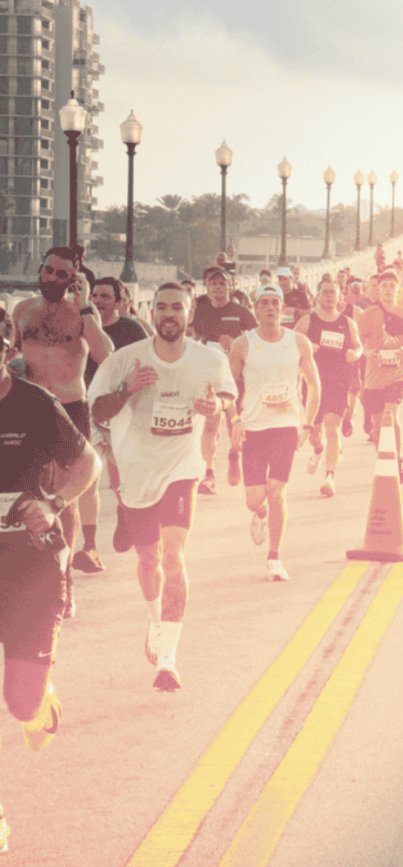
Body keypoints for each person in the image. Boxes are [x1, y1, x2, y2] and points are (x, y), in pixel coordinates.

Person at [89, 283, 236, 691]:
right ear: (150, 312)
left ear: (190, 314)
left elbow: (227, 396)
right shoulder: (124, 361)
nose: (170, 314)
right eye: (162, 307)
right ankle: (155, 621)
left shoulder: (209, 359)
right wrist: (128, 390)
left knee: (174, 557)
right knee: (147, 559)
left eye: (178, 307)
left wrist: (217, 407)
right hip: (137, 474)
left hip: (182, 468)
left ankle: (168, 657)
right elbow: (98, 412)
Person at [0, 307, 99, 852]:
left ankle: (42, 700)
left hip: (32, 566)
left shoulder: (35, 405)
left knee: (21, 706)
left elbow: (89, 464)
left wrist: (54, 502)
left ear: (5, 350)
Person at [11, 246, 114, 616]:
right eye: (49, 271)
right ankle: (24, 573)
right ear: (41, 270)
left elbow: (106, 354)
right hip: (31, 411)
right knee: (28, 489)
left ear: (73, 280)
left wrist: (86, 306)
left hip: (70, 410)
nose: (52, 279)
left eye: (62, 275)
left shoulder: (81, 315)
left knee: (64, 497)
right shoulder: (23, 311)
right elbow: (9, 358)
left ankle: (64, 580)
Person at [229, 283, 320, 580]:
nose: (270, 307)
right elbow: (227, 388)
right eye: (264, 303)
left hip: (285, 427)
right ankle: (260, 513)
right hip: (254, 427)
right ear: (256, 309)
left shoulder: (299, 342)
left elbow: (314, 386)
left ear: (283, 309)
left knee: (277, 491)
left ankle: (274, 558)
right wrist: (234, 421)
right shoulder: (242, 344)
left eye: (275, 303)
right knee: (255, 499)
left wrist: (306, 424)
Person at [69, 278, 148, 574]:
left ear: (118, 301)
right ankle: (90, 547)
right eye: (95, 295)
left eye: (105, 296)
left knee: (119, 478)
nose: (99, 300)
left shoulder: (130, 329)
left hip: (119, 409)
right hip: (84, 410)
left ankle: (124, 510)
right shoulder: (76, 322)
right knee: (88, 477)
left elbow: (144, 362)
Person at [191, 265, 257, 494]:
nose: (218, 287)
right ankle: (209, 475)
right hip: (211, 377)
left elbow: (258, 343)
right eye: (214, 283)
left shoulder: (241, 312)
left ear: (230, 286)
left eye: (222, 283)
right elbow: (193, 341)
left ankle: (234, 454)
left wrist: (237, 341)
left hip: (237, 376)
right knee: (210, 425)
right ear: (207, 288)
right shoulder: (200, 313)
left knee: (235, 423)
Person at [295, 280, 362, 497]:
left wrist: (356, 354)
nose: (329, 296)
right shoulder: (307, 321)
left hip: (337, 381)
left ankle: (330, 477)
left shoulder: (347, 322)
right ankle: (317, 449)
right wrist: (306, 347)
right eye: (325, 293)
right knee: (315, 432)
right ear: (318, 296)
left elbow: (358, 345)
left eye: (333, 293)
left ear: (339, 297)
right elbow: (291, 343)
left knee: (332, 429)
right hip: (314, 382)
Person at [359, 270, 403, 483]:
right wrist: (367, 353)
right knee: (376, 425)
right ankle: (382, 461)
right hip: (374, 377)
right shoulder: (369, 314)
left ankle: (399, 458)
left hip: (397, 374)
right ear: (378, 290)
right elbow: (358, 343)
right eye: (384, 286)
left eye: (392, 286)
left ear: (398, 289)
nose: (387, 290)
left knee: (390, 417)